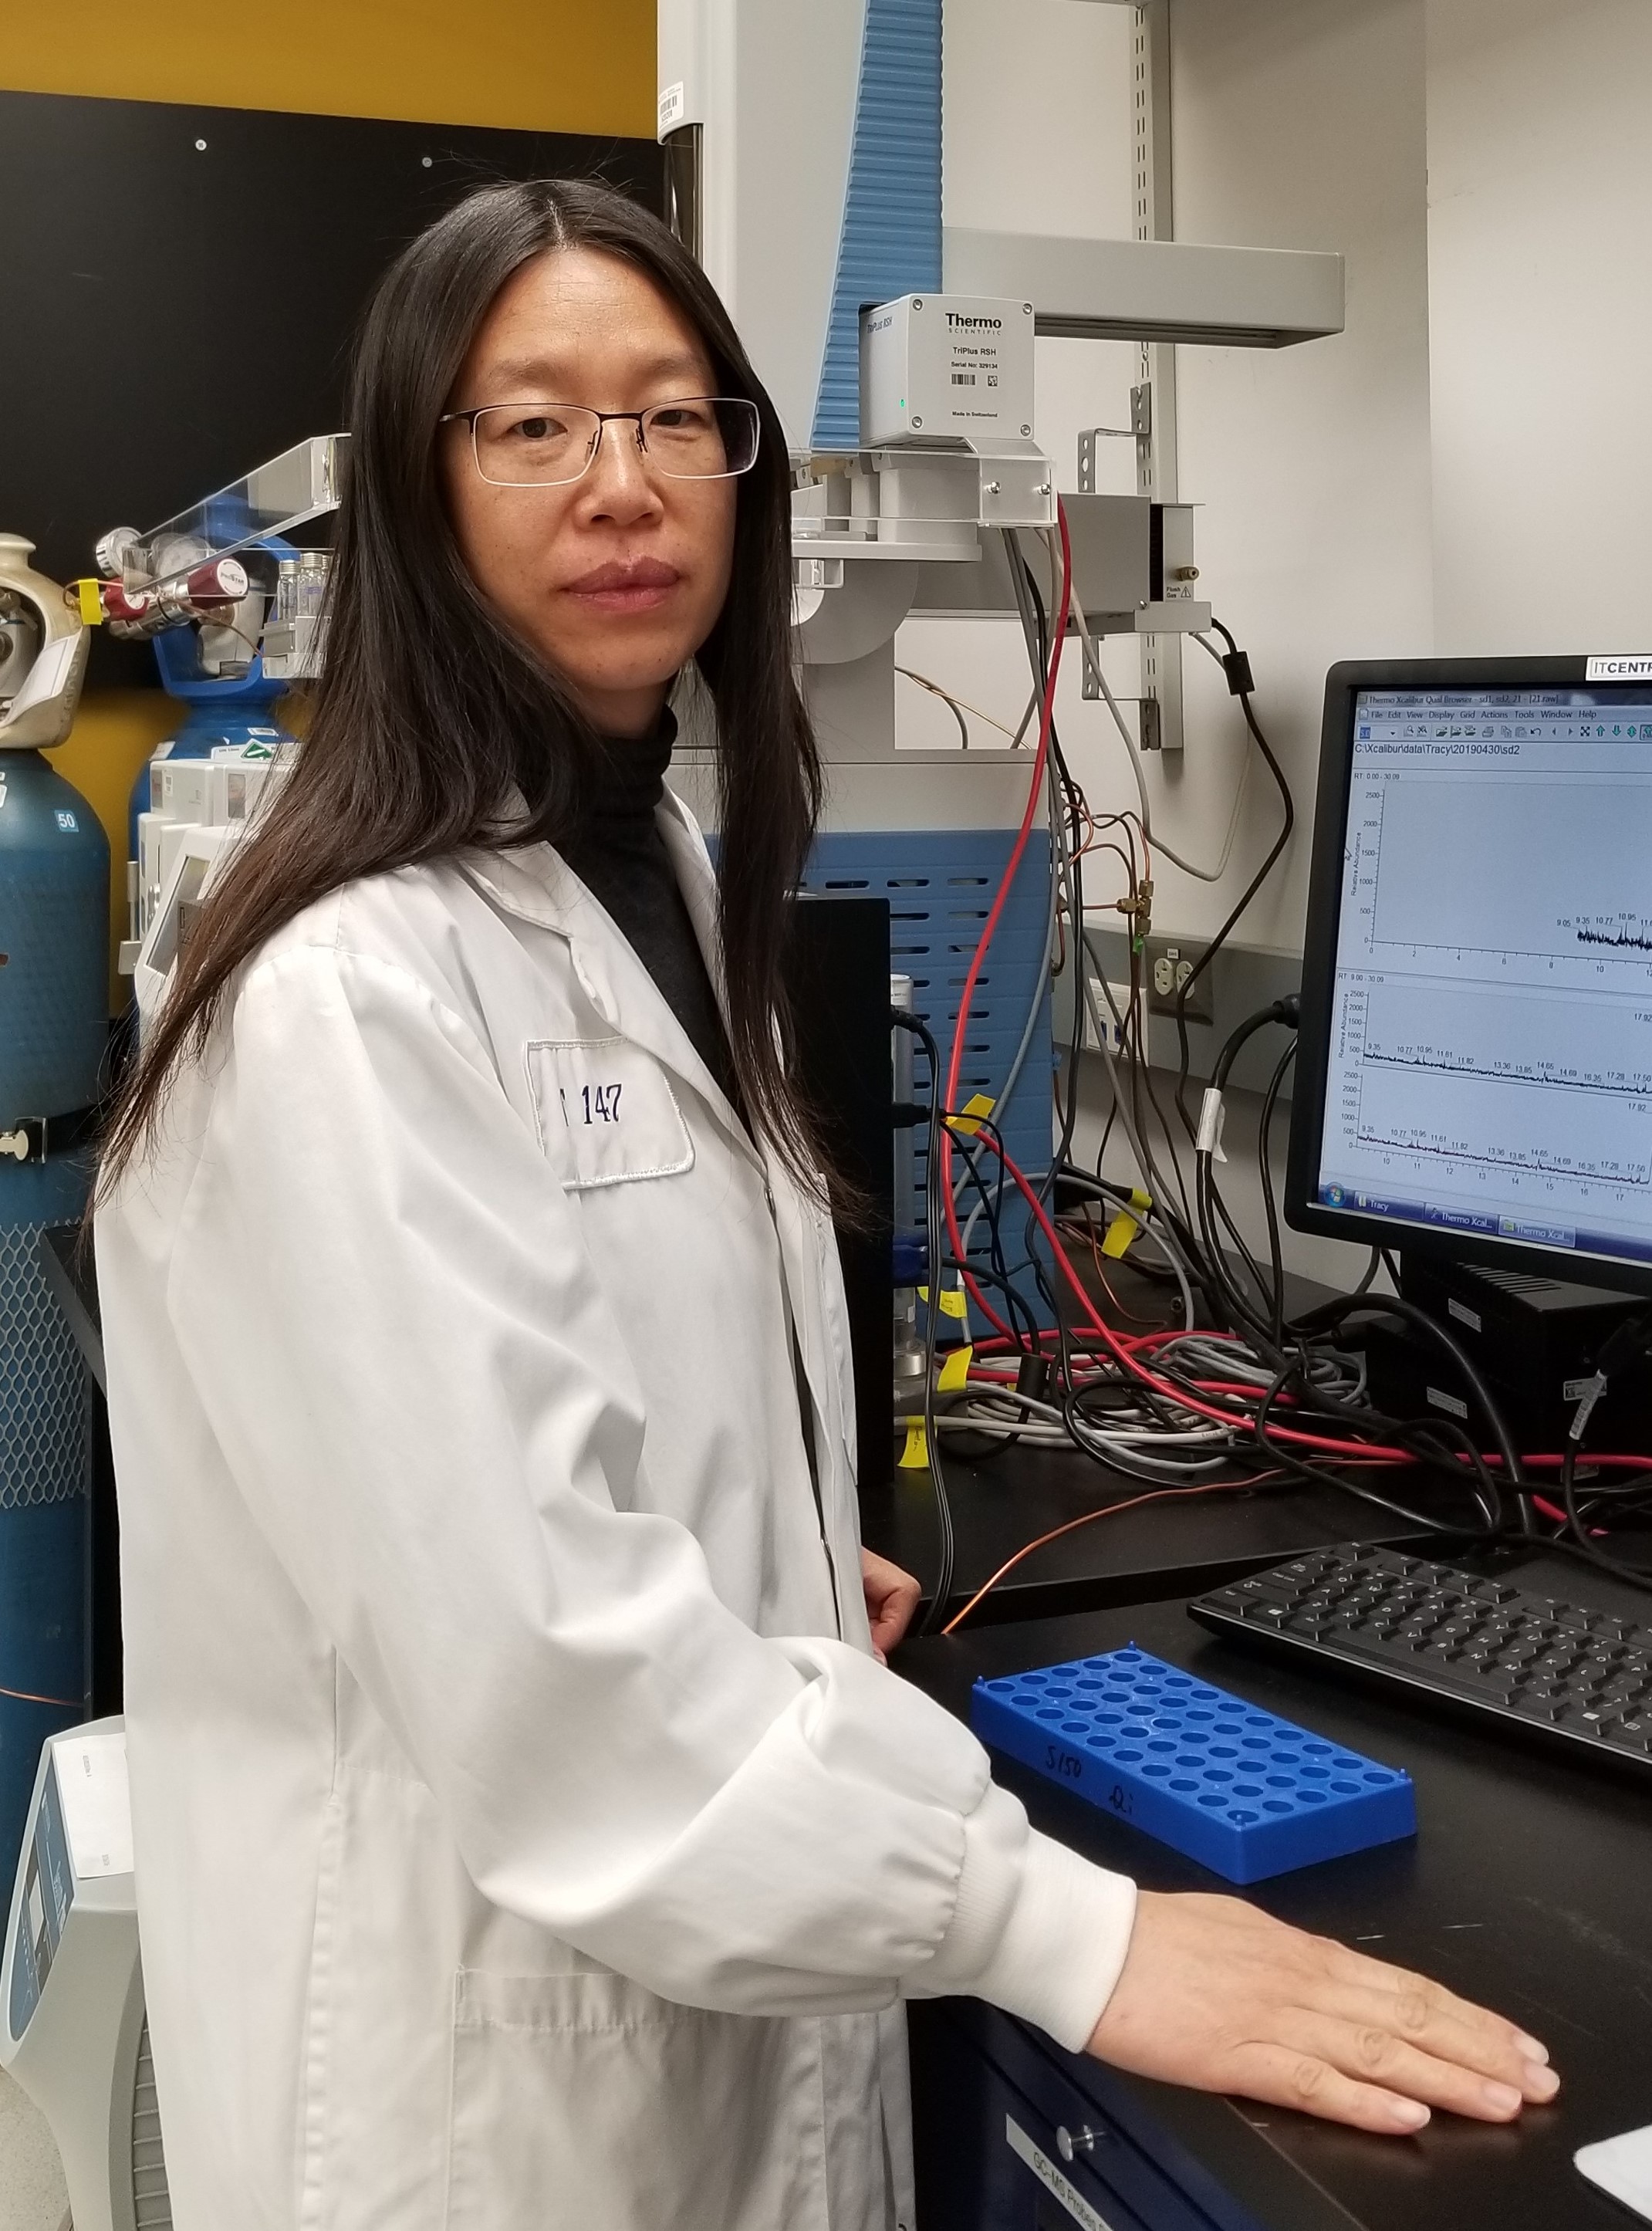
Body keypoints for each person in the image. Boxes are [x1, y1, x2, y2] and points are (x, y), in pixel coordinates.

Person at [94, 179, 1558, 2231]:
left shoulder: (661, 868)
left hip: (692, 1982)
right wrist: (1087, 1940)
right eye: (535, 424)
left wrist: (767, 1542)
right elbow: (551, 1678)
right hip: (484, 2098)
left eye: (676, 415)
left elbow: (554, 1411)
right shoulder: (352, 996)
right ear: (421, 498)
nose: (624, 484)